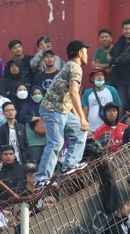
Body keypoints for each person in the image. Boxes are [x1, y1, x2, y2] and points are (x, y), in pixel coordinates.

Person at [34, 40, 90, 186]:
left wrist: (78, 120)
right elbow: (73, 93)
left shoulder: (69, 66)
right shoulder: (75, 67)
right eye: (85, 51)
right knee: (56, 143)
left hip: (62, 110)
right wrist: (83, 119)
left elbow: (68, 97)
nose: (87, 54)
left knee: (79, 131)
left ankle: (70, 165)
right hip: (53, 110)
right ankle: (40, 179)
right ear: (80, 53)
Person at [82, 67, 121, 133]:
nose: (100, 77)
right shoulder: (87, 92)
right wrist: (86, 127)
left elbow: (119, 107)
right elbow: (85, 110)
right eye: (97, 75)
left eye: (102, 75)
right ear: (92, 78)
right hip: (92, 129)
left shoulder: (112, 90)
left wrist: (116, 123)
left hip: (109, 129)